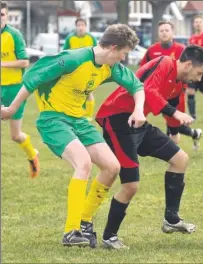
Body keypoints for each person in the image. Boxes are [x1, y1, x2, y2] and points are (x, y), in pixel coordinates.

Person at [1, 24, 146, 247]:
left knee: (112, 167)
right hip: (53, 120)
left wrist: (138, 110)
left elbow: (137, 86)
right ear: (113, 48)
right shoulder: (73, 59)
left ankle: (85, 222)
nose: (123, 59)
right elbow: (33, 78)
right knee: (84, 164)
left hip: (79, 121)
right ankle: (71, 231)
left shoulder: (110, 67)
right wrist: (11, 109)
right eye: (124, 53)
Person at [89, 45, 203, 250]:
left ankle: (171, 220)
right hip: (119, 120)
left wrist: (174, 133)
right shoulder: (164, 63)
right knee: (131, 185)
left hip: (139, 124)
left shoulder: (179, 83)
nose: (199, 80)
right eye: (199, 73)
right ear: (188, 64)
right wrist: (175, 114)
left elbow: (174, 104)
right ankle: (109, 237)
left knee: (180, 159)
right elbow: (148, 90)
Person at [140, 20, 203, 149]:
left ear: (172, 32)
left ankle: (173, 152)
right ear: (158, 33)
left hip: (174, 93)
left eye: (166, 30)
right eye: (161, 31)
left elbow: (188, 72)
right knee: (140, 117)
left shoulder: (181, 49)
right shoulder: (152, 50)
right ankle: (194, 134)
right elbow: (144, 69)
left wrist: (183, 90)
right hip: (155, 91)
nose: (164, 33)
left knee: (174, 125)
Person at [1, 1, 39, 178]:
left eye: (2, 15)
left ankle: (32, 154)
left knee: (15, 136)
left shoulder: (14, 35)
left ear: (7, 16)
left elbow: (25, 61)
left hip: (15, 89)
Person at [63, 17, 98, 121]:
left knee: (88, 92)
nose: (80, 28)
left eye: (82, 25)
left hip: (88, 70)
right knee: (75, 92)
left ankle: (89, 115)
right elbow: (64, 53)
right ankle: (76, 113)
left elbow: (97, 52)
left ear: (86, 26)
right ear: (76, 27)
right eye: (78, 25)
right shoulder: (70, 38)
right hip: (74, 70)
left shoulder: (91, 38)